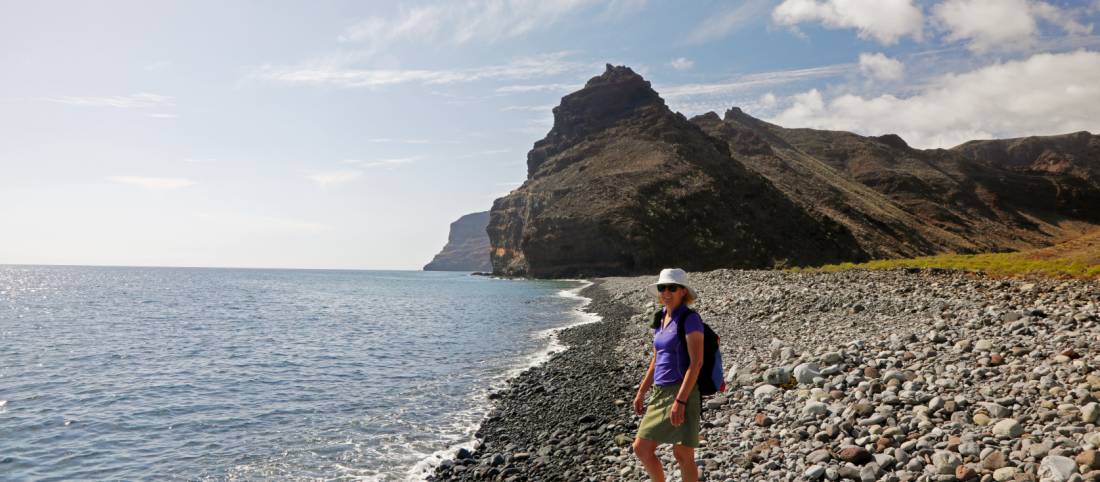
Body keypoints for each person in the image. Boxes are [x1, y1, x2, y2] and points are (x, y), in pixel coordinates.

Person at [632, 268, 704, 482]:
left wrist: (680, 400)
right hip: (659, 392)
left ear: (683, 291)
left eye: (672, 287)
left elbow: (696, 362)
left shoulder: (690, 319)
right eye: (662, 287)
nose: (666, 292)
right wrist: (642, 391)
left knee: (683, 454)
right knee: (642, 449)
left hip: (682, 391)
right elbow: (656, 359)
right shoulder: (661, 317)